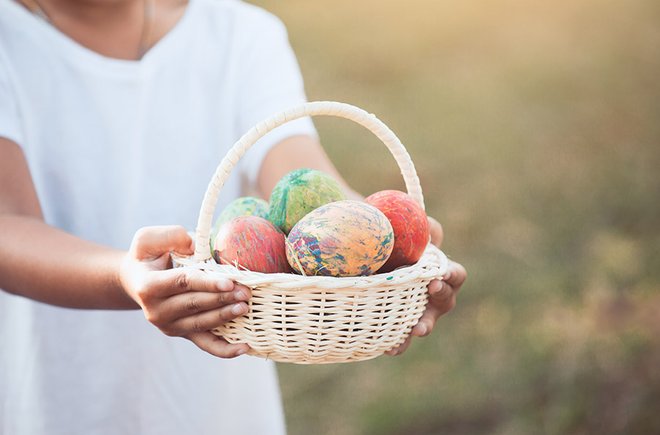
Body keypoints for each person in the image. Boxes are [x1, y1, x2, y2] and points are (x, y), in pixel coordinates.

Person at [0, 0, 467, 433]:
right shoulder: (10, 42)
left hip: (218, 399)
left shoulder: (239, 33)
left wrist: (385, 246)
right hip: (63, 394)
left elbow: (300, 180)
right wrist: (123, 277)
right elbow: (9, 224)